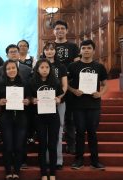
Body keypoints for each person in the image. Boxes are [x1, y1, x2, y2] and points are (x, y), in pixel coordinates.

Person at [68, 40, 108, 170]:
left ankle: (94, 161)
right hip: (78, 104)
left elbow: (105, 84)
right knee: (79, 132)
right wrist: (74, 90)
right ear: (80, 50)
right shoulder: (73, 66)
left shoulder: (99, 66)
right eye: (83, 48)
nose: (86, 50)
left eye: (89, 48)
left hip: (94, 104)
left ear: (93, 50)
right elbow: (65, 84)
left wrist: (100, 93)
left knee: (92, 132)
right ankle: (78, 160)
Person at [29, 59, 63, 180]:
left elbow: (60, 96)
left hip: (53, 116)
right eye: (42, 67)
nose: (44, 70)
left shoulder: (55, 82)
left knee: (52, 144)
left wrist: (58, 99)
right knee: (42, 144)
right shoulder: (32, 82)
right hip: (39, 117)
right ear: (37, 69)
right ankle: (44, 173)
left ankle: (52, 173)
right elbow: (29, 98)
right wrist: (33, 100)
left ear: (50, 69)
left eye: (47, 67)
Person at [0, 60, 30, 179]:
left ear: (17, 69)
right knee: (8, 146)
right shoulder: (0, 84)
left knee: (19, 146)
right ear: (5, 71)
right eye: (8, 68)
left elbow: (30, 99)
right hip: (6, 118)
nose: (11, 70)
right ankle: (7, 171)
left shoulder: (24, 83)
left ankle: (16, 171)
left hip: (21, 117)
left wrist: (27, 101)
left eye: (13, 68)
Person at [53, 20, 80, 154]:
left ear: (66, 30)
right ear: (54, 31)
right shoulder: (50, 46)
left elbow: (76, 65)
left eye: (62, 28)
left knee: (70, 117)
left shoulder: (73, 46)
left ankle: (71, 143)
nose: (60, 31)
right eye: (57, 29)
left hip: (69, 85)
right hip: (52, 88)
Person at [42, 41, 68, 170]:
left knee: (58, 131)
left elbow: (64, 85)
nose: (50, 51)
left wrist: (59, 97)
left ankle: (58, 159)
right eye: (47, 49)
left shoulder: (61, 66)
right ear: (44, 51)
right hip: (43, 104)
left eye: (52, 49)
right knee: (45, 132)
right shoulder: (39, 64)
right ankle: (46, 159)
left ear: (55, 51)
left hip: (59, 102)